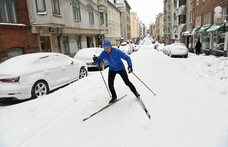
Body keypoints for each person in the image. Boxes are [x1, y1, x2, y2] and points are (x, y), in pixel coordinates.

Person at [93, 40, 140, 104]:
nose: (106, 50)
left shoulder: (116, 51)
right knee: (110, 84)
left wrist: (130, 66)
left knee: (127, 82)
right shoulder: (103, 53)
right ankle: (114, 97)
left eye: (107, 48)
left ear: (110, 47)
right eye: (105, 48)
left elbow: (127, 58)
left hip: (120, 68)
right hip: (112, 69)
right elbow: (98, 63)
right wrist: (95, 60)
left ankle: (135, 92)